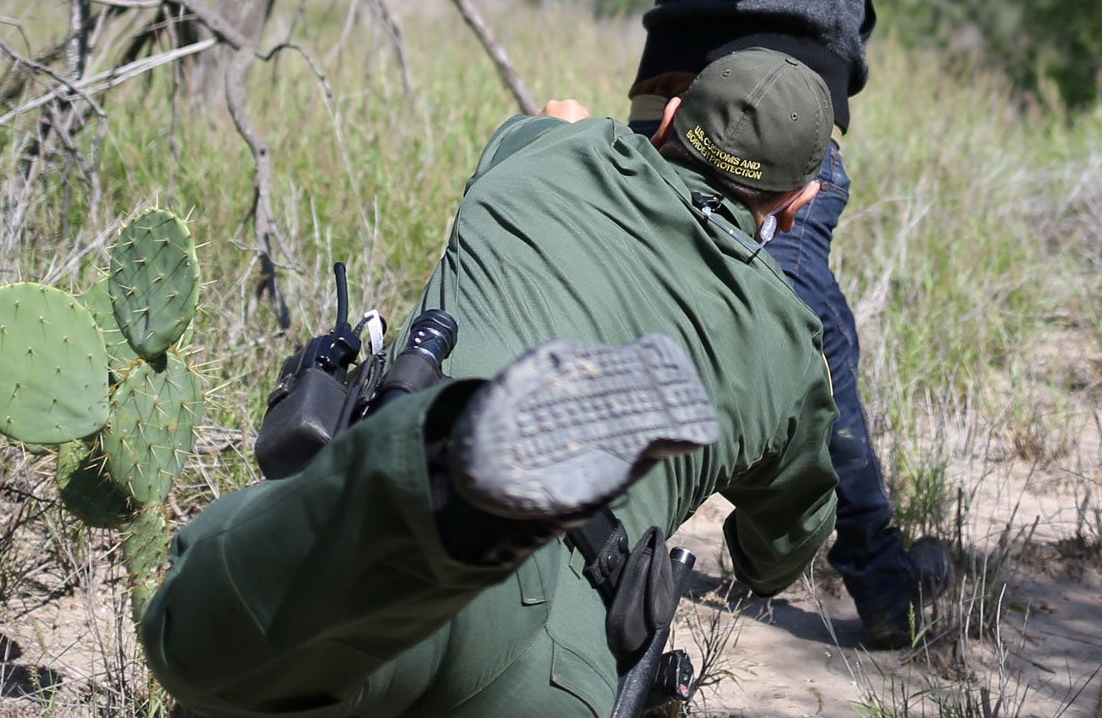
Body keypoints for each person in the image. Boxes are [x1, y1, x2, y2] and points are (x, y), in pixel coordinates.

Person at [442, 0, 962, 648]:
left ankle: (553, 525)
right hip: (770, 134)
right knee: (811, 339)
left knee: (644, 313)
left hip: (663, 125)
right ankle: (882, 584)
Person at [142, 49, 842, 718]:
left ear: (667, 119)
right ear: (798, 203)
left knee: (215, 633)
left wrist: (566, 130)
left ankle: (427, 483)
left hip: (391, 530)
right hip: (556, 660)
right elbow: (778, 556)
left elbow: (550, 128)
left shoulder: (548, 149)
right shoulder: (789, 344)